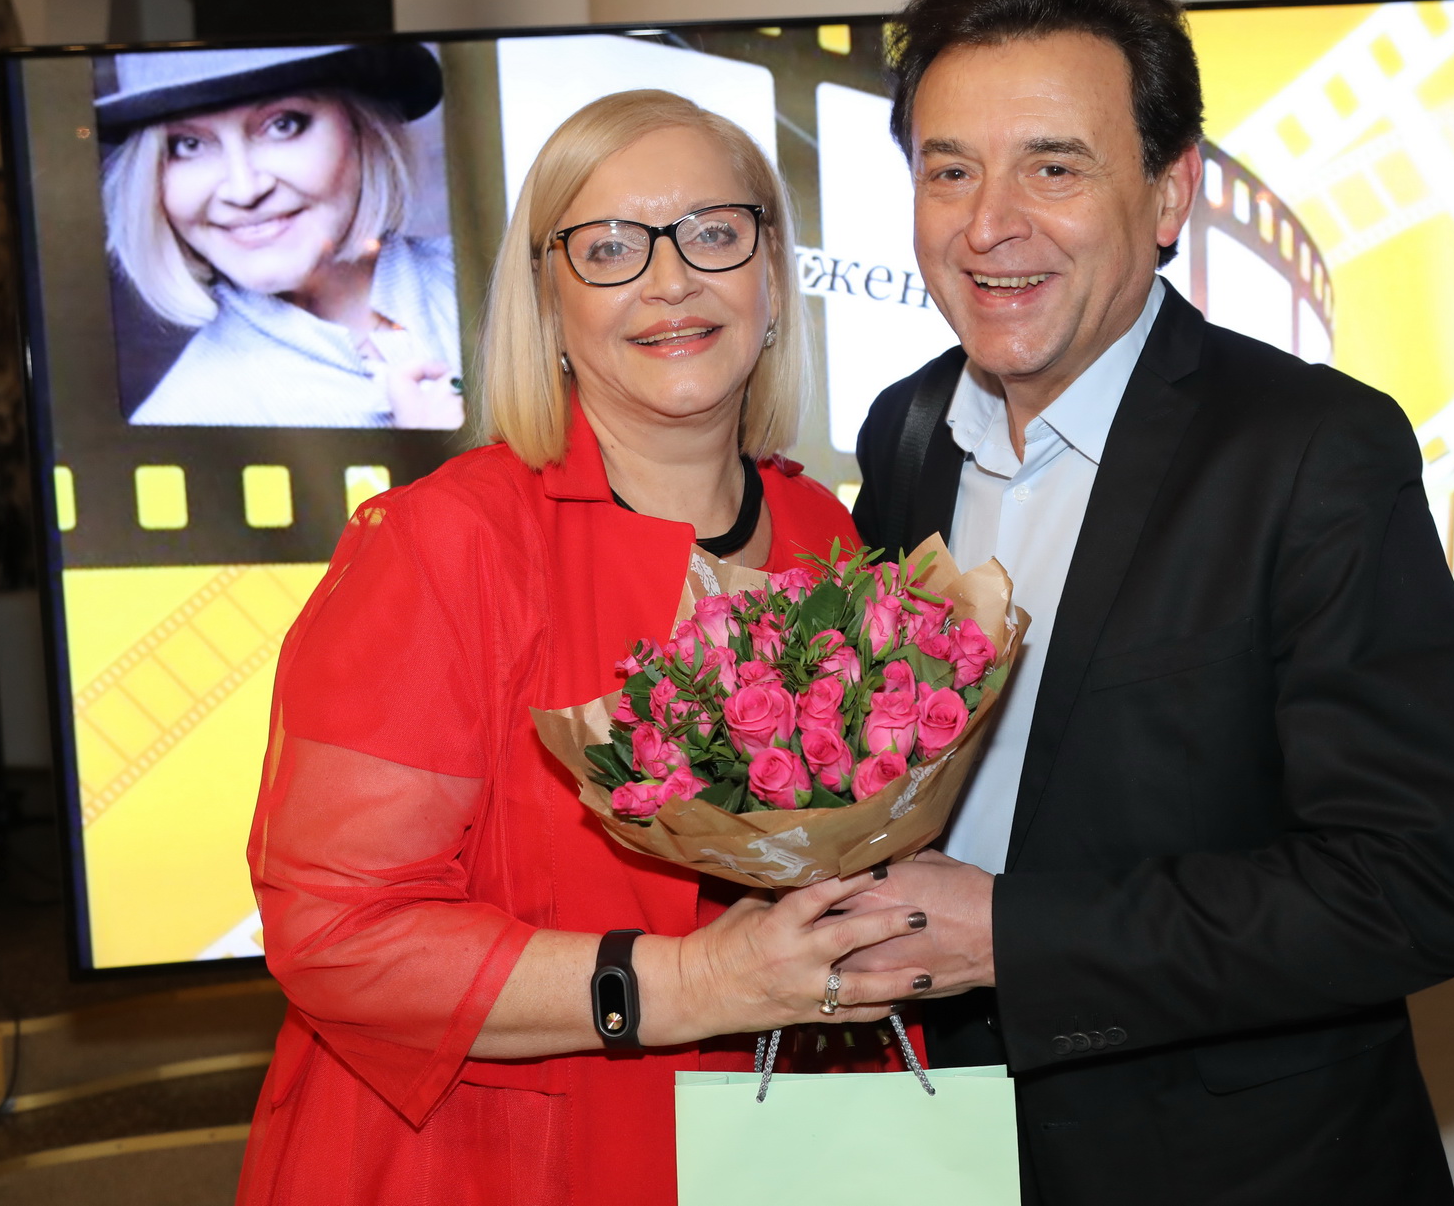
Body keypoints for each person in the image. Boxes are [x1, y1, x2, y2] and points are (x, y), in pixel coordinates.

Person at [843, 0, 1454, 1204]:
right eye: (949, 169)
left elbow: (1409, 890)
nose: (988, 224)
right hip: (935, 1149)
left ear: (1168, 192)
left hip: (1237, 1169)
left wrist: (1011, 939)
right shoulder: (905, 431)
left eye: (1053, 167)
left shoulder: (1314, 450)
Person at [236, 90, 932, 1206]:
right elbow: (341, 934)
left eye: (713, 232)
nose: (670, 280)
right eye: (609, 248)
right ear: (549, 301)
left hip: (778, 1136)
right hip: (491, 1163)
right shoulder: (448, 543)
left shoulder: (830, 539)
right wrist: (687, 982)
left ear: (770, 276)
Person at [98, 43, 463, 428]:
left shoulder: (500, 279)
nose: (244, 190)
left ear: (361, 129)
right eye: (188, 145)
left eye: (283, 125)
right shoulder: (176, 423)